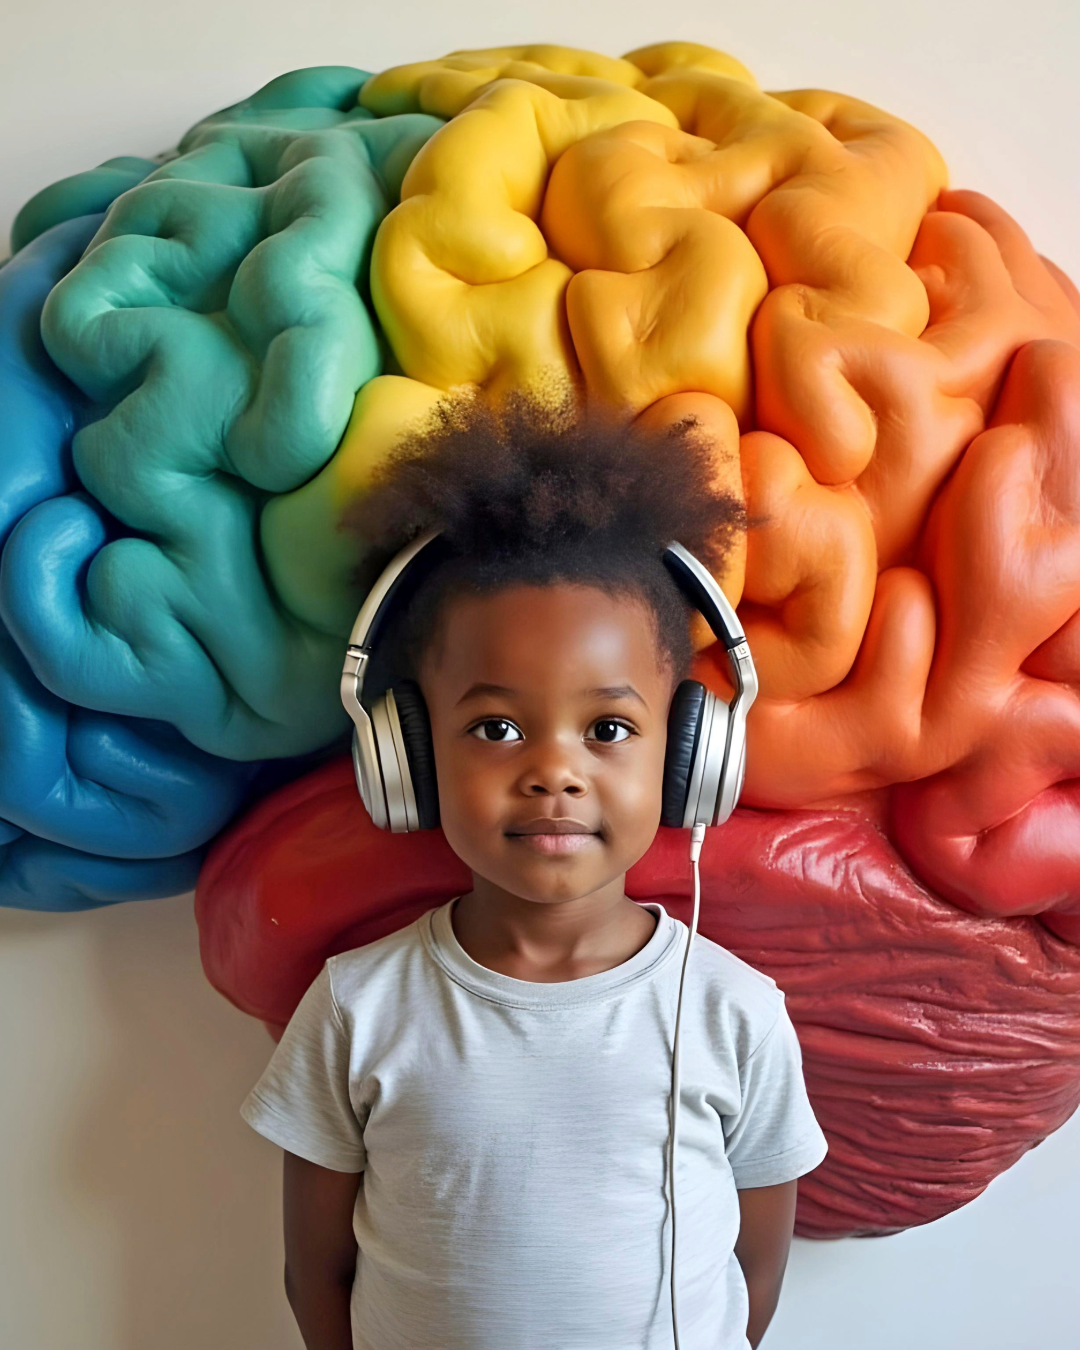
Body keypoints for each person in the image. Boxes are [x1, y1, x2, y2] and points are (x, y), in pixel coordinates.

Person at [240, 395, 828, 1350]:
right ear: (408, 755)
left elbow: (755, 1266)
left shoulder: (732, 1012)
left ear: (690, 755)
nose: (555, 771)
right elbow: (317, 1272)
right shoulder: (357, 1007)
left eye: (610, 728)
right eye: (496, 727)